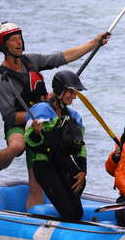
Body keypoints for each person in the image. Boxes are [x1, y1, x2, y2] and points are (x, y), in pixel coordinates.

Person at [0, 21, 109, 207]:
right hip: (19, 124)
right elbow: (9, 117)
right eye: (13, 40)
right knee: (18, 146)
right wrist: (36, 114)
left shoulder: (31, 61)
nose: (18, 43)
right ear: (3, 46)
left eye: (20, 38)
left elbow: (63, 57)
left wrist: (93, 43)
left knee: (42, 175)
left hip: (44, 122)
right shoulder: (1, 80)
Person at [24, 70, 87, 221]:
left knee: (78, 214)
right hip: (45, 165)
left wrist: (82, 170)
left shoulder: (73, 117)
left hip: (63, 165)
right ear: (60, 91)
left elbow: (80, 146)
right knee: (70, 214)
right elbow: (30, 142)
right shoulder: (41, 111)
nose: (74, 96)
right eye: (71, 92)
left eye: (75, 92)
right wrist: (36, 133)